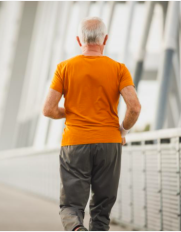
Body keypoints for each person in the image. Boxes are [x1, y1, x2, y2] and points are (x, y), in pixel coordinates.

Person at [42, 17, 141, 231]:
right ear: (105, 39)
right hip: (109, 143)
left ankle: (77, 229)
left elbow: (48, 109)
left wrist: (71, 111)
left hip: (74, 144)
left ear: (79, 40)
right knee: (102, 210)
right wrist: (122, 129)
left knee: (71, 206)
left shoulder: (64, 68)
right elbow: (134, 107)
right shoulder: (119, 69)